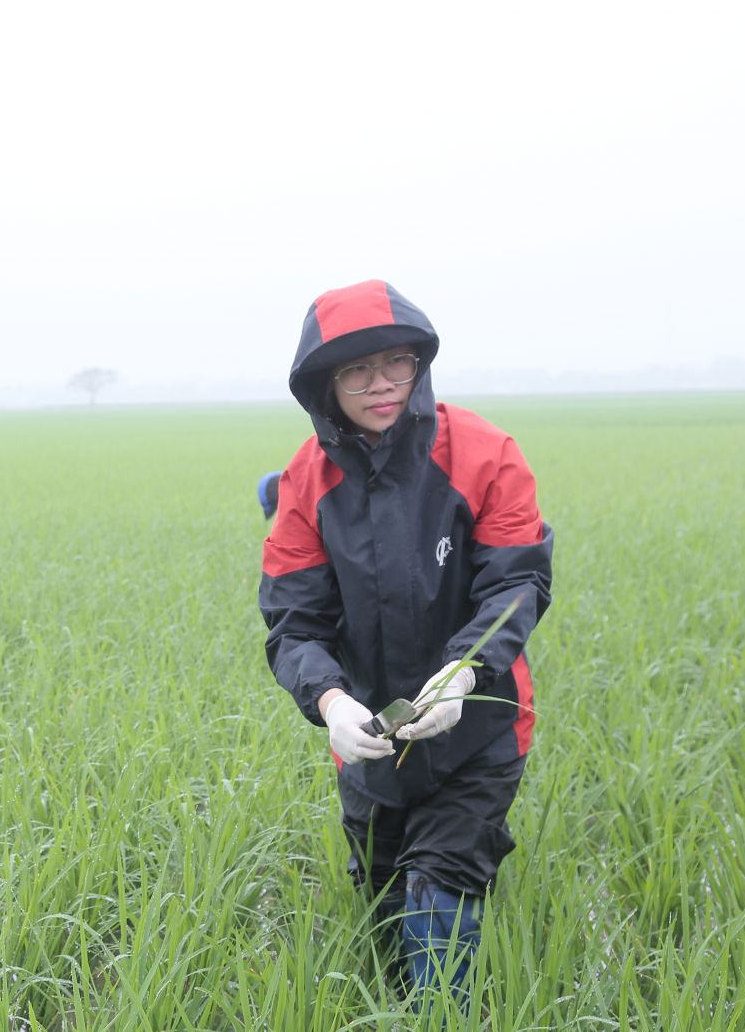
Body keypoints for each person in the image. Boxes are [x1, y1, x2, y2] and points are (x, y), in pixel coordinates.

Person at [257, 279, 553, 1002]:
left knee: (440, 892)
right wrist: (329, 700)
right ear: (325, 386)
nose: (381, 384)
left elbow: (516, 582)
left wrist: (463, 671)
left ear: (420, 364)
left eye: (396, 362)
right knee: (385, 908)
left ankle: (442, 1016)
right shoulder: (304, 482)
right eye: (357, 370)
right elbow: (294, 620)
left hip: (479, 722)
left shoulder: (485, 452)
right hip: (369, 735)